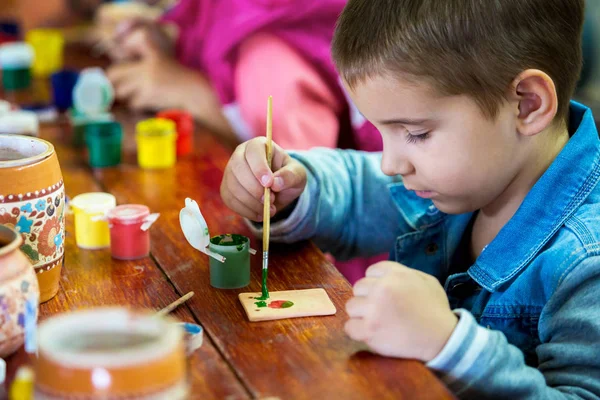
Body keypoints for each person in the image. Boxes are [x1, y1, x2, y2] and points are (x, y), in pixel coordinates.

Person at [220, 0, 600, 397]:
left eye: (415, 134)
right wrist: (291, 186)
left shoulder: (585, 261)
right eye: (382, 132)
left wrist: (450, 347)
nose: (389, 163)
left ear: (527, 104)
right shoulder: (465, 178)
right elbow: (355, 186)